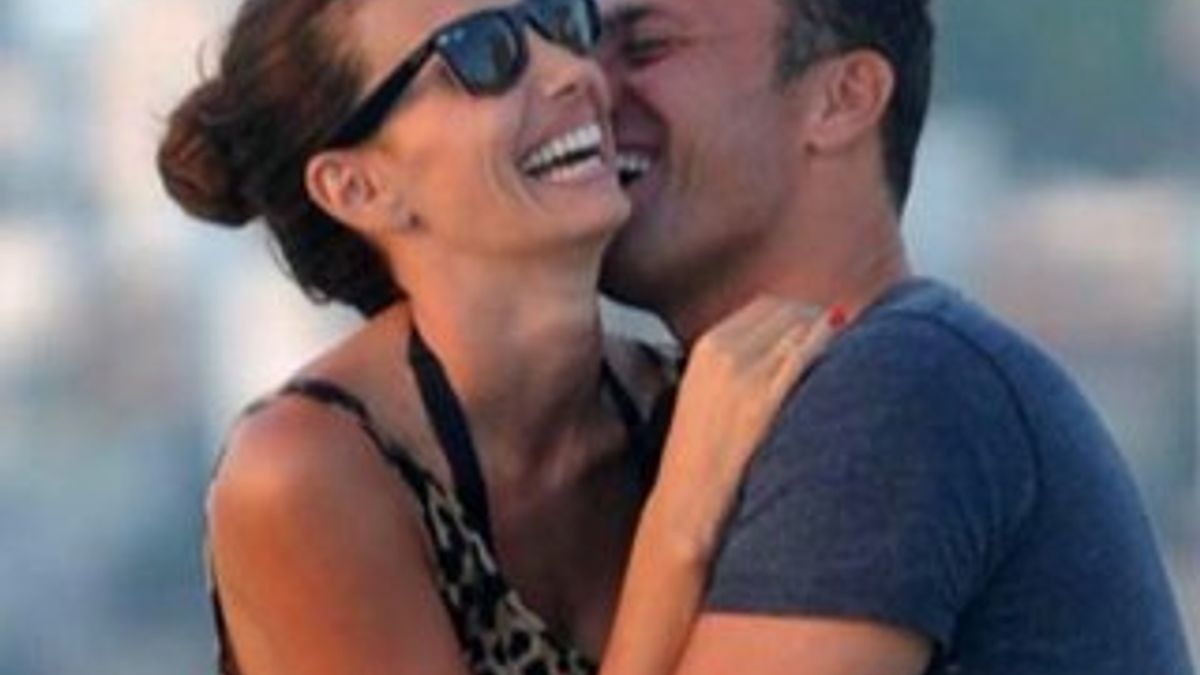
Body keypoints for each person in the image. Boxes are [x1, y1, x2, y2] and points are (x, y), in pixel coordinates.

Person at [157, 0, 839, 673]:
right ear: (359, 188)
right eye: (482, 52)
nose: (574, 72)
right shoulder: (306, 473)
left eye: (558, 20)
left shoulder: (704, 402)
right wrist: (681, 523)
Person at [596, 0, 1196, 673]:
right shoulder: (768, 404)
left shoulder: (892, 393)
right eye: (589, 45)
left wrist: (675, 534)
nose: (591, 88)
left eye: (646, 48)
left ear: (844, 98)